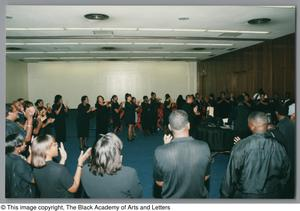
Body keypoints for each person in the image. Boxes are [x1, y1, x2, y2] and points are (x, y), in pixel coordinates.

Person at [220, 112, 291, 198]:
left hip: (246, 195)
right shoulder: (279, 146)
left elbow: (231, 177)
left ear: (251, 126)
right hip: (271, 195)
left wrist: (224, 195)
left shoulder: (241, 146)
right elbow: (286, 173)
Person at [153, 110, 211, 198]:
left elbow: (160, 182)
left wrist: (166, 147)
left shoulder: (160, 152)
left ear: (170, 127)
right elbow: (205, 177)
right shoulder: (204, 147)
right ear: (188, 125)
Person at [81, 133, 143, 198]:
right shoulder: (129, 174)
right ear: (116, 155)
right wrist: (119, 165)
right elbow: (138, 195)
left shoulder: (84, 170)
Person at [274, 104, 295, 198]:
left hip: (286, 158)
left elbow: (278, 145)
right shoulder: (293, 123)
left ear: (277, 113)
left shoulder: (280, 126)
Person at [5, 133, 35, 198]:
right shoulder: (18, 162)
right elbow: (33, 180)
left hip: (12, 192)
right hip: (23, 194)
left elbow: (23, 168)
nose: (25, 145)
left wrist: (32, 153)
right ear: (17, 147)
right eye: (23, 143)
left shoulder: (8, 156)